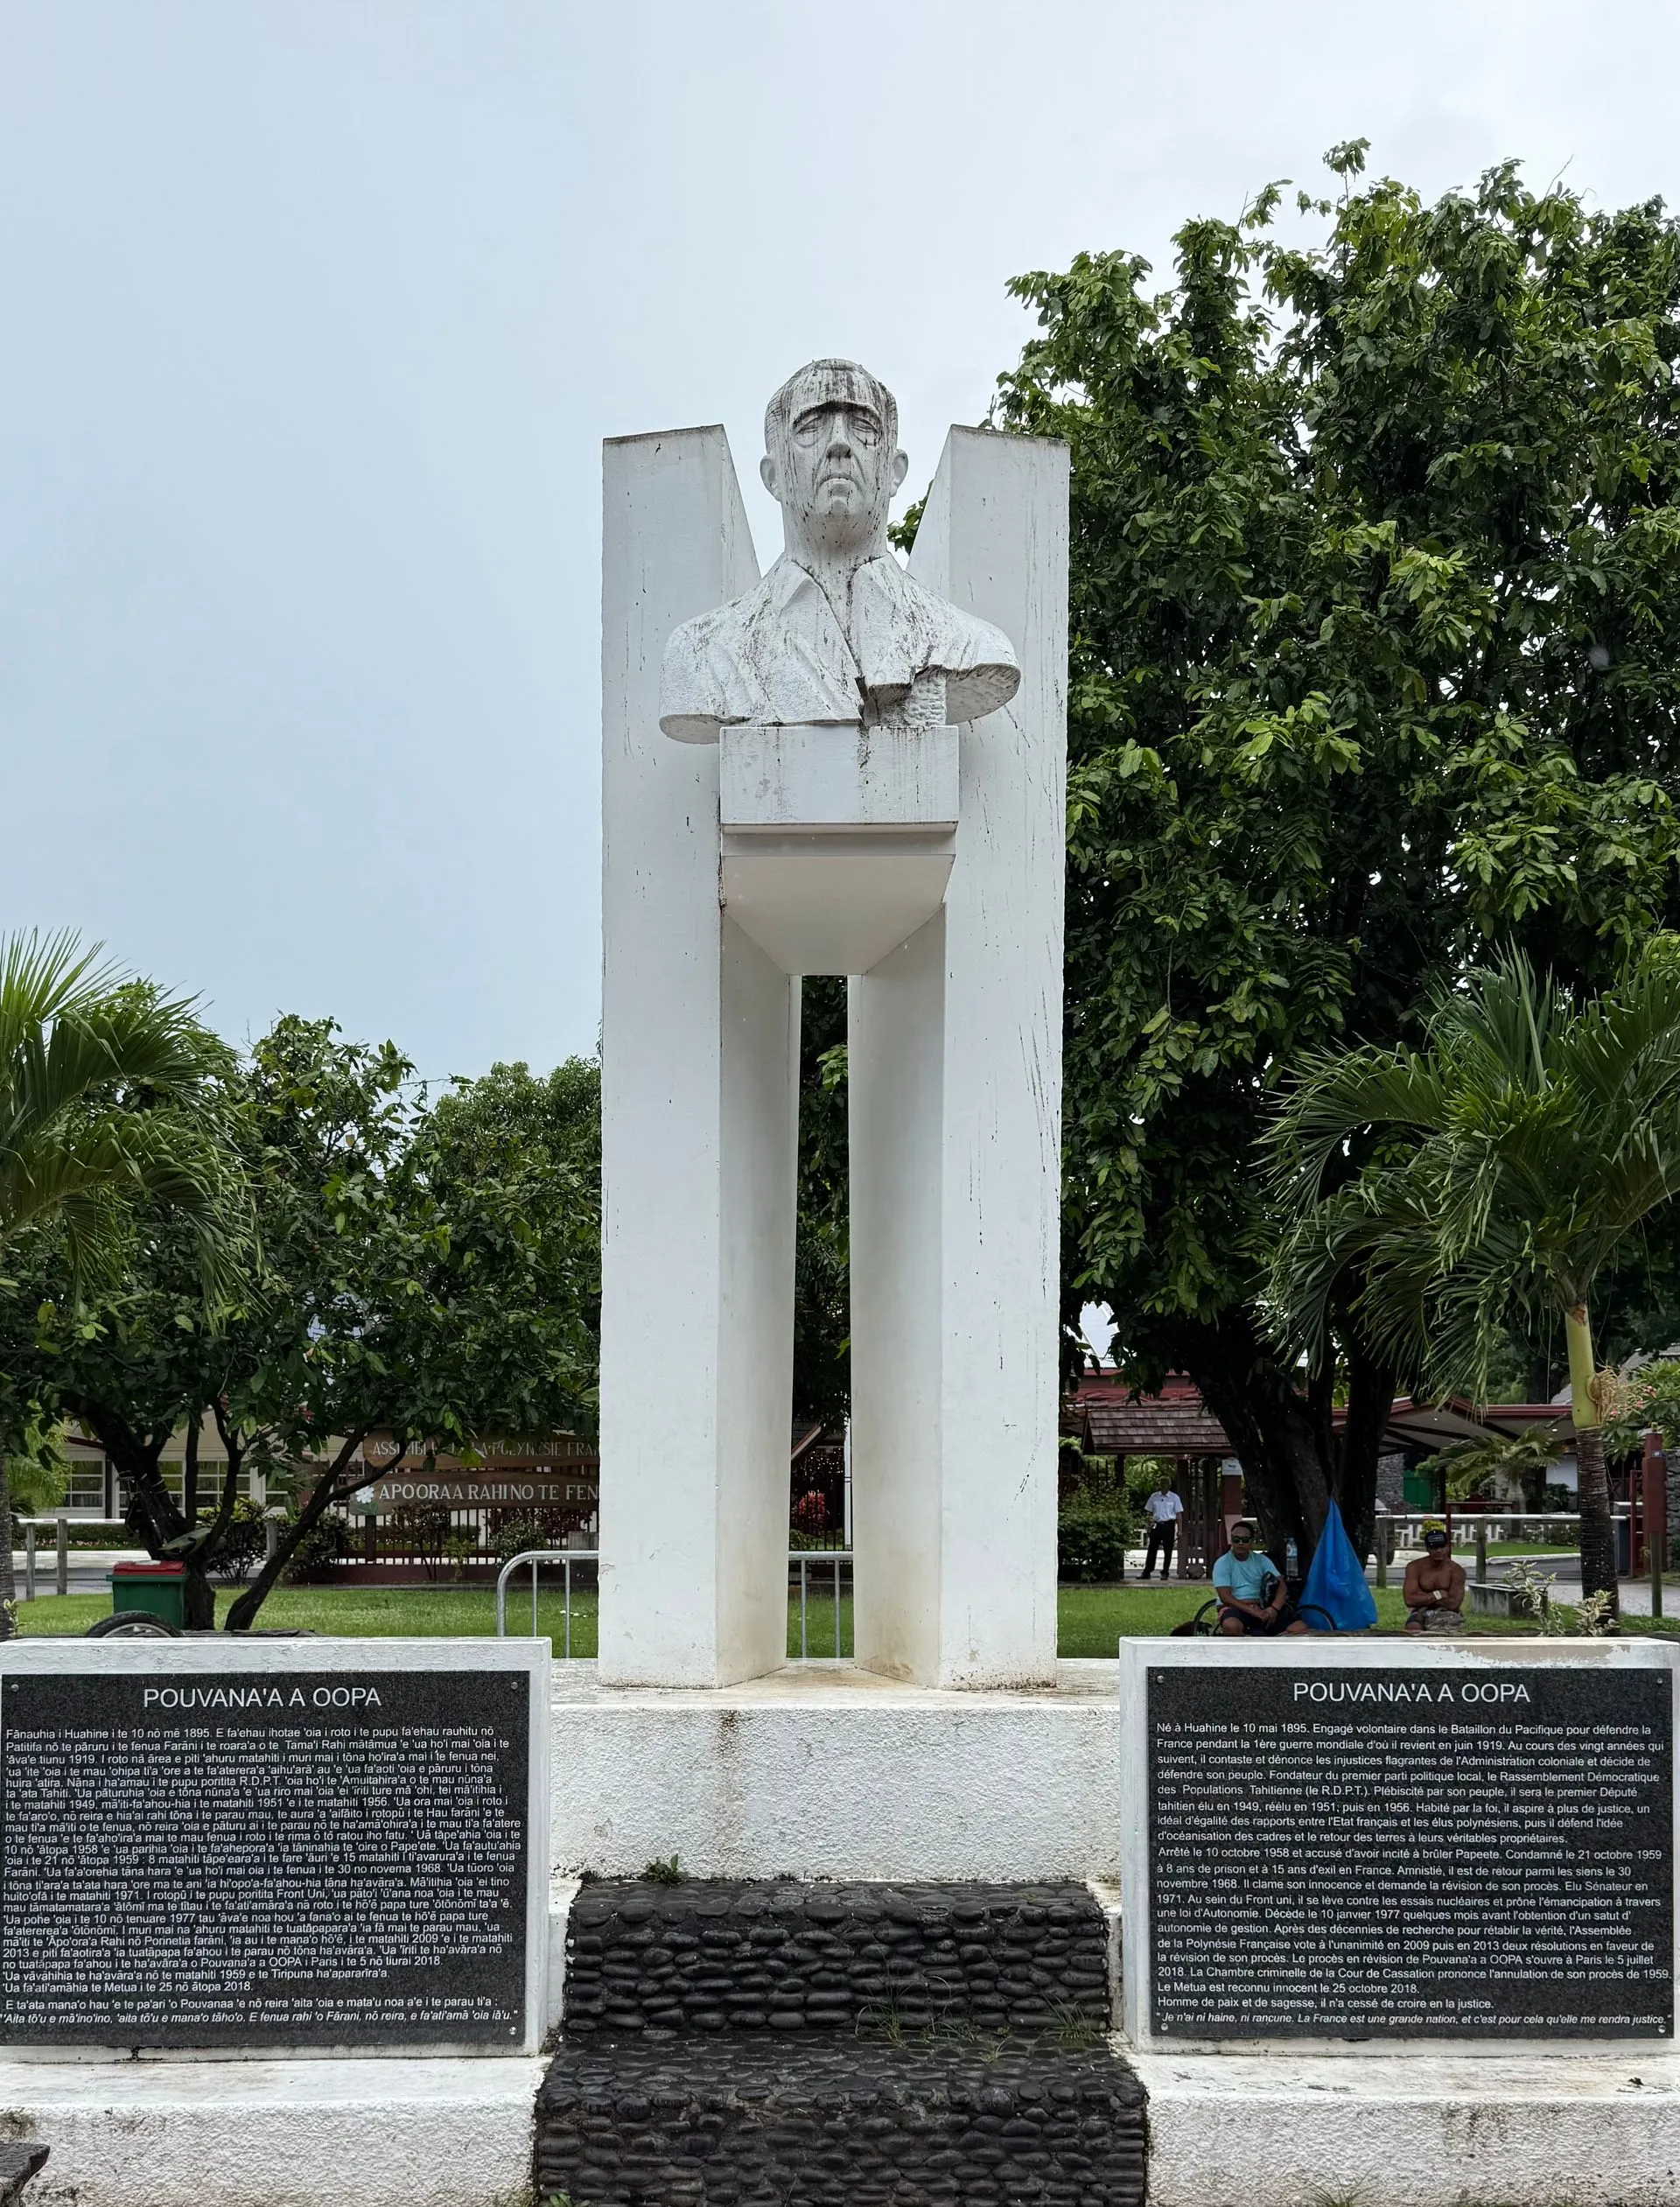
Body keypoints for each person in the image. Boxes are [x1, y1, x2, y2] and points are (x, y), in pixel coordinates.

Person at [659, 359, 1020, 742]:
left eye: (863, 426)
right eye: (811, 427)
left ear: (895, 472)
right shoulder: (703, 652)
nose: (839, 443)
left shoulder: (968, 644)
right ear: (774, 476)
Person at [1212, 1521, 1308, 1635]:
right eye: (1236, 1540)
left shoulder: (1262, 1560)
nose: (1240, 1543)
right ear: (1231, 1540)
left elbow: (1281, 1586)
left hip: (1264, 1607)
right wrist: (1252, 1611)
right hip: (1237, 1608)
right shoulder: (1222, 1563)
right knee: (1231, 1626)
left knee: (1300, 1628)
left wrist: (1274, 1608)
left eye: (1245, 1540)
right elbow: (1225, 1597)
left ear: (1252, 1541)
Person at [1403, 1521, 1466, 1633]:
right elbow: (1409, 1600)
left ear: (1448, 1547)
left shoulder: (1456, 1570)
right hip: (1420, 1611)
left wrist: (1423, 1597)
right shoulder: (1415, 1567)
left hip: (1447, 1613)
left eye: (1442, 1547)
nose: (1439, 1551)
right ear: (1427, 1548)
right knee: (1412, 1628)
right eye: (1434, 1547)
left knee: (1444, 1630)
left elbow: (1454, 1603)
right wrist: (1439, 1595)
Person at [1141, 1475, 1184, 1580]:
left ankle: (1165, 1572)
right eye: (1161, 1484)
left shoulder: (1174, 1498)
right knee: (1152, 1549)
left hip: (1169, 1525)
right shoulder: (1154, 1497)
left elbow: (1179, 1515)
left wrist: (1180, 1530)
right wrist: (1148, 1526)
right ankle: (1147, 1571)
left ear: (1169, 1485)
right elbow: (1149, 1513)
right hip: (1156, 1525)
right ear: (1159, 1485)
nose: (1163, 1486)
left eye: (1165, 1484)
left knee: (1168, 1550)